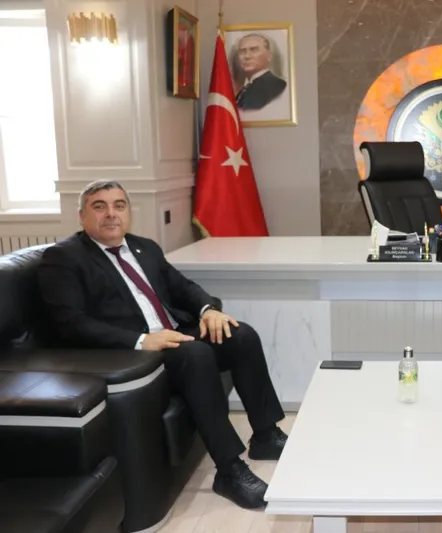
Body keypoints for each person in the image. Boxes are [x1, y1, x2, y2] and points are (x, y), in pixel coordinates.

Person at [37, 180, 286, 510]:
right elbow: (70, 323)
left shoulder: (144, 247)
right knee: (196, 354)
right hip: (131, 351)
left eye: (119, 205)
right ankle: (229, 470)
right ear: (82, 215)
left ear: (129, 213)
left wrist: (208, 310)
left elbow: (183, 287)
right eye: (99, 206)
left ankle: (266, 435)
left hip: (173, 334)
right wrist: (141, 340)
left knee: (240, 335)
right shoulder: (63, 258)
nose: (111, 214)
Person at [234, 33, 287, 111]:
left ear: (269, 56)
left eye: (254, 50)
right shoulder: (245, 87)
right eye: (242, 51)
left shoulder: (277, 86)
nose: (247, 56)